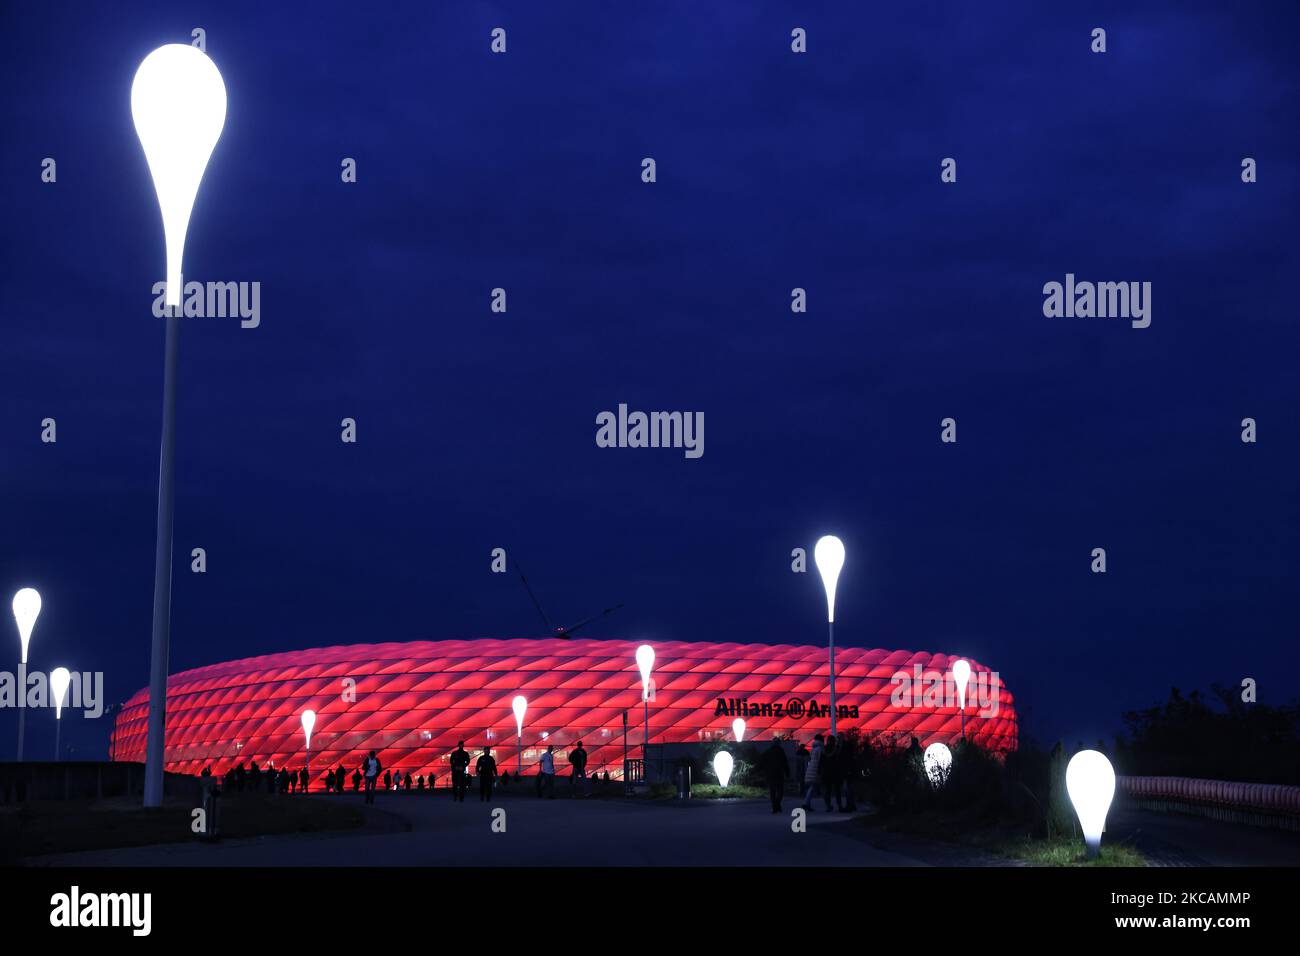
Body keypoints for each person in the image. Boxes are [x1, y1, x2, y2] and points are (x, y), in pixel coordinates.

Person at [758, 736, 790, 813]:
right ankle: (777, 803)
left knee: (772, 791)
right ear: (779, 743)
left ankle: (774, 806)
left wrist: (756, 771)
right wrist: (787, 772)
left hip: (769, 774)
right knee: (780, 791)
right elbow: (785, 763)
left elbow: (761, 762)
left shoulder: (768, 751)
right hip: (779, 773)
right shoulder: (781, 752)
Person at [801, 735, 824, 811]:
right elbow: (820, 760)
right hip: (815, 769)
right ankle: (805, 803)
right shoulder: (820, 749)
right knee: (812, 787)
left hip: (809, 769)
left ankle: (808, 805)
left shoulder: (813, 749)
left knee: (809, 788)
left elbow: (810, 759)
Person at [836, 736, 857, 812]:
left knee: (847, 789)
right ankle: (851, 805)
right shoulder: (847, 750)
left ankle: (849, 805)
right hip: (847, 771)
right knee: (849, 789)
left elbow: (845, 761)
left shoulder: (844, 750)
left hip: (846, 772)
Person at [820, 735, 839, 811]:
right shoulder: (835, 749)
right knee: (835, 789)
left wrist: (819, 771)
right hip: (833, 771)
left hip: (825, 771)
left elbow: (821, 761)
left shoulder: (824, 749)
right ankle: (838, 805)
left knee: (827, 790)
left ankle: (828, 805)